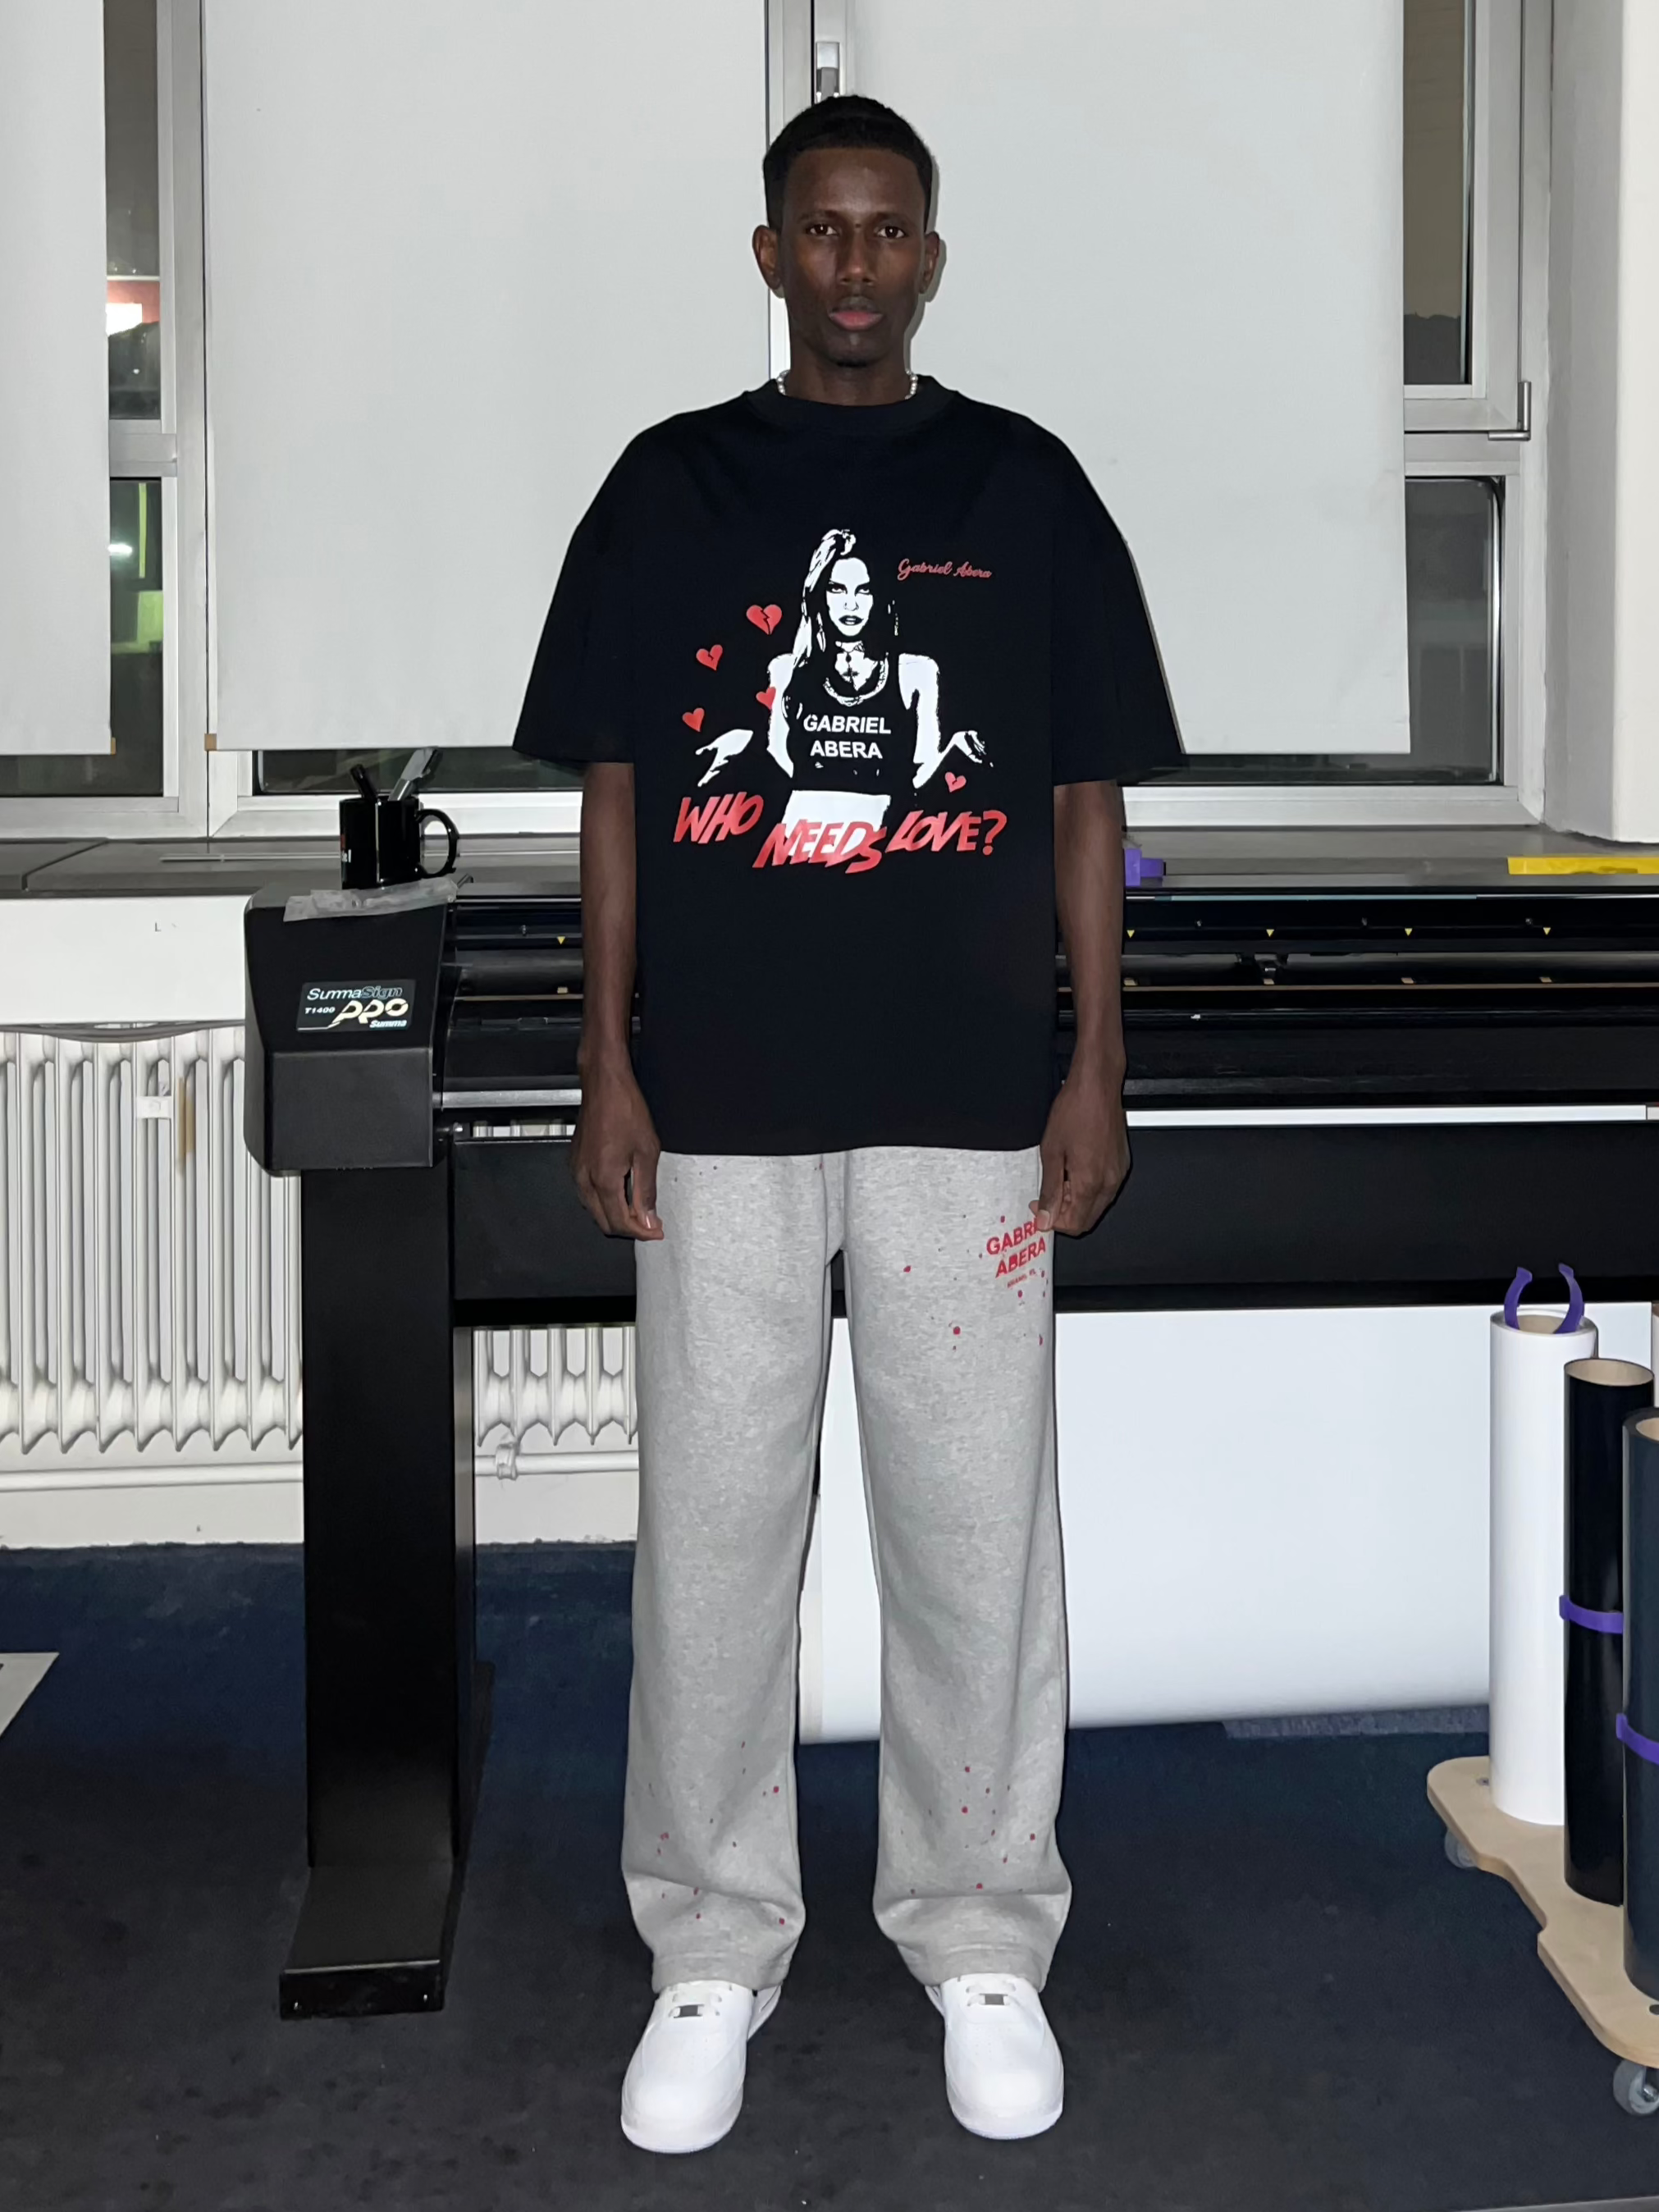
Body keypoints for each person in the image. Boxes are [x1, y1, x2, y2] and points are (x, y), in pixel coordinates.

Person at [514, 92, 1181, 2155]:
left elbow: (1083, 801)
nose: (862, 266)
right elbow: (621, 785)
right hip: (717, 1098)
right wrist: (608, 1053)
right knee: (716, 1536)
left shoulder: (1028, 488)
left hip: (969, 1095)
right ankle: (711, 1943)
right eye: (827, 231)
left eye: (894, 232)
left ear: (934, 256)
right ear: (772, 253)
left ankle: (981, 1927)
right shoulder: (668, 490)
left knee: (975, 1534)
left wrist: (1096, 1063)